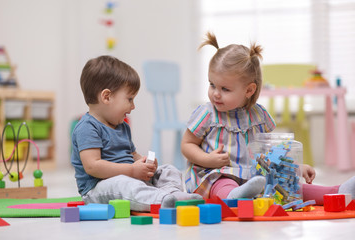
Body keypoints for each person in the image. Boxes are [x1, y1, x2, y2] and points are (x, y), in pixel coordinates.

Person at [181, 32, 355, 204]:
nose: (216, 94)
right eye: (212, 85)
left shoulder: (259, 115)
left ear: (249, 90)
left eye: (225, 89)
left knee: (288, 185)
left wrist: (294, 168)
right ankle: (235, 196)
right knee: (223, 183)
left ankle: (337, 192)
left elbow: (270, 151)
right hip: (217, 173)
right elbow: (187, 144)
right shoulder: (207, 113)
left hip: (255, 175)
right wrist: (207, 159)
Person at [71, 55, 202, 212]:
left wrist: (145, 162)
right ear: (107, 97)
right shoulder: (87, 127)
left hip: (129, 177)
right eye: (130, 99)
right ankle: (161, 200)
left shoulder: (121, 126)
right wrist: (131, 170)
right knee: (123, 184)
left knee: (168, 169)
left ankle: (172, 194)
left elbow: (131, 154)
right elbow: (93, 167)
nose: (133, 106)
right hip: (99, 188)